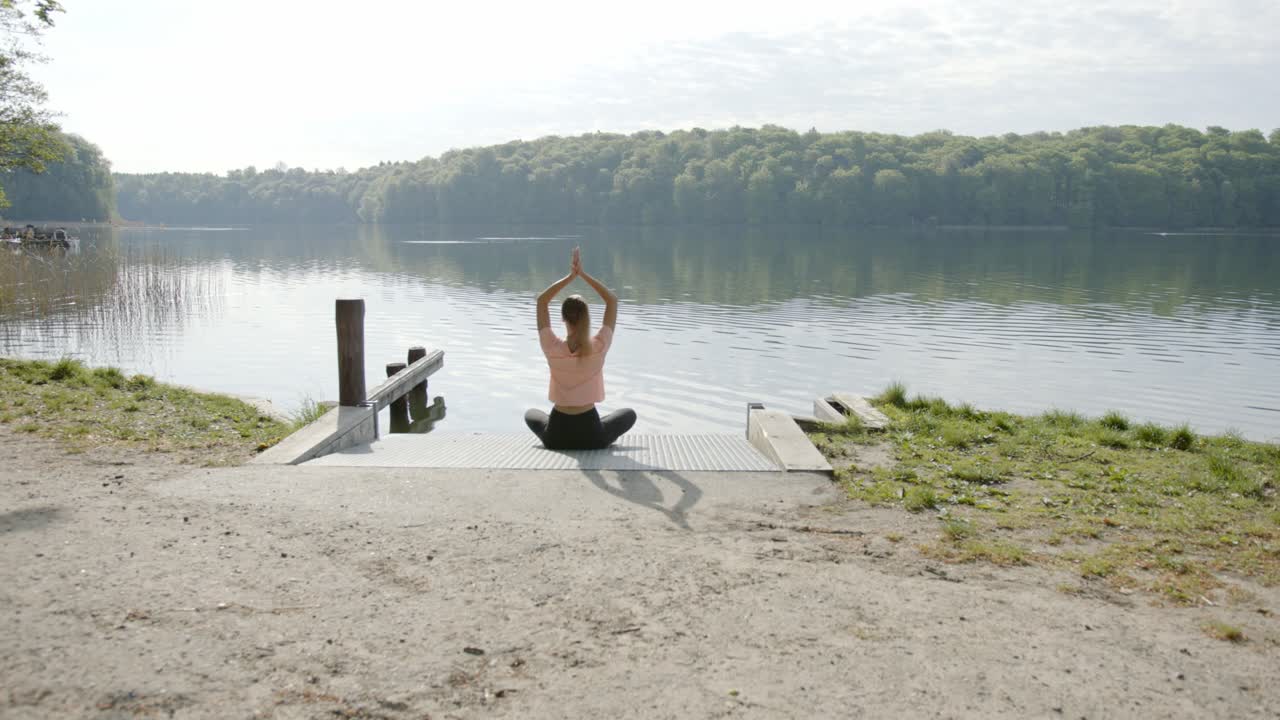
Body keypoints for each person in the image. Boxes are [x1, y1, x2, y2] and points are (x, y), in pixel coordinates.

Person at [525, 247, 637, 450]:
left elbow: (542, 301)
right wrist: (583, 275)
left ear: (563, 318)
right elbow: (611, 300)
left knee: (530, 414)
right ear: (587, 318)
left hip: (556, 436)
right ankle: (599, 426)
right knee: (629, 414)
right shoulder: (599, 345)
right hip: (592, 435)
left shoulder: (551, 346)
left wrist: (570, 276)